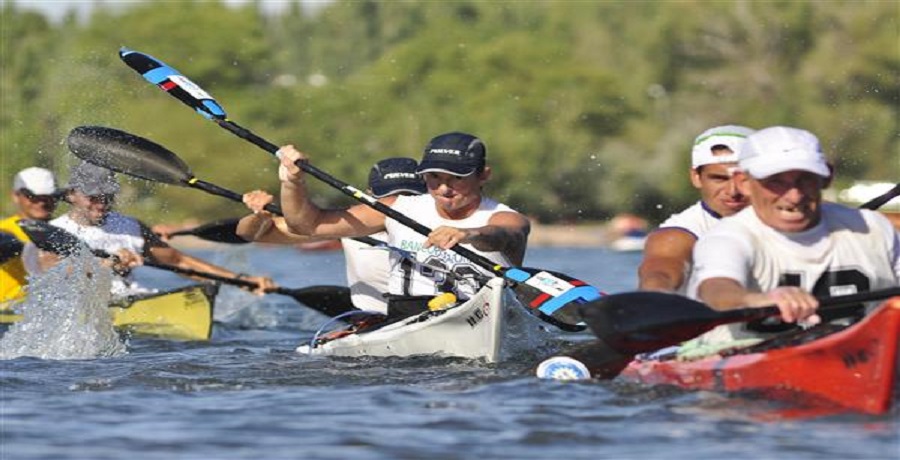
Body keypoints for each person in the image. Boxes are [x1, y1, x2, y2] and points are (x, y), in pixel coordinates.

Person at [276, 132, 530, 318]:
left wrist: (468, 234)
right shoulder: (396, 208)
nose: (443, 188)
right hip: (408, 316)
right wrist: (292, 183)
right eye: (433, 177)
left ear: (483, 175)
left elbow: (502, 235)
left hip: (489, 314)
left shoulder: (505, 216)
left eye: (457, 178)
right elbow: (307, 225)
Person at [688, 126, 900, 344]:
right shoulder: (726, 238)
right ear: (744, 183)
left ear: (827, 177)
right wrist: (761, 300)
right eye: (776, 182)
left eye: (805, 179)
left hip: (866, 359)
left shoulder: (873, 228)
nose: (794, 196)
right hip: (750, 365)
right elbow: (717, 292)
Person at [30, 162, 274, 297]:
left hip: (133, 298)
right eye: (93, 197)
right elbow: (58, 270)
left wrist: (241, 281)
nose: (102, 203)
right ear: (72, 195)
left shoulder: (130, 227)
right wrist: (111, 264)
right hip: (81, 310)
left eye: (108, 196)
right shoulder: (52, 232)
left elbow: (180, 262)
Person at [236, 157, 428, 314]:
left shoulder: (442, 220)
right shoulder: (350, 223)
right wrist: (259, 216)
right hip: (379, 319)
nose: (397, 205)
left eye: (409, 196)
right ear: (369, 196)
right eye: (389, 198)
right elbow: (252, 234)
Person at [638, 125, 755, 292]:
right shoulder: (677, 235)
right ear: (696, 178)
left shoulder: (795, 221)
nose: (733, 191)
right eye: (719, 179)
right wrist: (655, 291)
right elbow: (660, 273)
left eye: (744, 179)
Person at [0, 167, 60, 307]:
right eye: (32, 196)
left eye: (48, 197)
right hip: (7, 314)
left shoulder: (66, 229)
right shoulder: (5, 229)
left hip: (50, 312)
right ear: (15, 196)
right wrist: (31, 250)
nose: (42, 202)